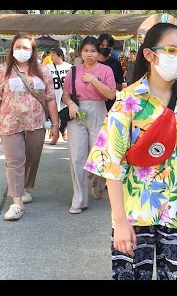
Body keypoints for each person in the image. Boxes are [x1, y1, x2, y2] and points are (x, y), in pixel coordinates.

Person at [84, 22, 177, 280]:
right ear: (150, 55)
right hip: (135, 215)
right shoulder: (128, 101)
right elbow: (111, 164)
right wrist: (120, 222)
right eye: (172, 50)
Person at [0, 32, 59, 221]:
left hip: (36, 123)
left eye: (26, 47)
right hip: (10, 122)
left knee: (32, 159)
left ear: (33, 51)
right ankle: (17, 203)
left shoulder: (44, 72)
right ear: (12, 49)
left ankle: (22, 187)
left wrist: (56, 124)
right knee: (15, 160)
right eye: (18, 47)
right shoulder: (3, 71)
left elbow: (50, 99)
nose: (21, 51)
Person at [62, 36, 116, 214]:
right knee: (77, 156)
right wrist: (70, 103)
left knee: (99, 154)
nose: (89, 54)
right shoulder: (74, 71)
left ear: (98, 52)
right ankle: (79, 199)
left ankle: (97, 184)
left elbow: (111, 94)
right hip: (77, 112)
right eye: (86, 50)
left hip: (99, 111)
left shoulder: (106, 70)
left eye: (93, 51)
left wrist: (93, 80)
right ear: (81, 52)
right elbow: (66, 94)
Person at [46, 47, 72, 143]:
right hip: (53, 95)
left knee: (65, 117)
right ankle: (54, 137)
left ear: (60, 56)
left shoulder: (69, 67)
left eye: (54, 55)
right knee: (53, 117)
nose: (52, 57)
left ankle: (63, 130)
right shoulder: (48, 67)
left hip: (65, 96)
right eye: (51, 55)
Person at [97, 33, 124, 112]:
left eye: (108, 46)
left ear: (111, 48)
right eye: (102, 45)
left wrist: (106, 84)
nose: (105, 48)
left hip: (110, 104)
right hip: (94, 103)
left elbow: (119, 86)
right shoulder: (91, 63)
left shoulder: (115, 64)